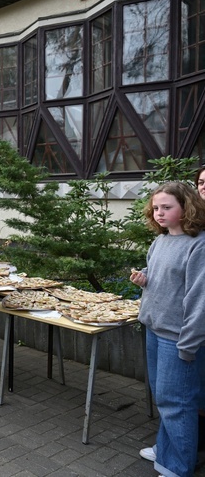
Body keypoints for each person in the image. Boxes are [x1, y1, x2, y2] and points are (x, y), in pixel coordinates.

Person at [130, 182, 205, 477]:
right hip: (154, 329)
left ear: (186, 207)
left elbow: (199, 300)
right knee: (164, 397)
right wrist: (145, 277)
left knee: (178, 402)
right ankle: (166, 449)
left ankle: (178, 467)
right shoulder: (160, 241)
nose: (159, 213)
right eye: (156, 208)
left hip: (178, 338)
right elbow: (164, 275)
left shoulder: (198, 244)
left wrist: (189, 343)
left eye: (167, 207)